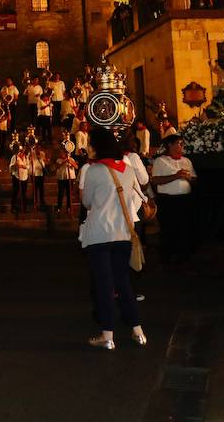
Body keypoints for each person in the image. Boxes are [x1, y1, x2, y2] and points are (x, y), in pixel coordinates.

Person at [79, 127, 147, 350]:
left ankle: (107, 335)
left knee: (104, 285)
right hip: (122, 233)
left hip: (100, 233)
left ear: (98, 146)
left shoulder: (94, 170)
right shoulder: (127, 170)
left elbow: (87, 201)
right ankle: (138, 332)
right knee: (123, 282)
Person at [151, 135, 197, 265]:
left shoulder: (187, 161)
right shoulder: (160, 161)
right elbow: (155, 180)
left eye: (182, 144)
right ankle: (167, 257)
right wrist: (175, 176)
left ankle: (183, 255)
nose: (181, 146)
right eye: (178, 143)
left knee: (184, 228)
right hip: (168, 201)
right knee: (168, 228)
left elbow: (194, 179)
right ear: (170, 145)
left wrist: (189, 178)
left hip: (184, 199)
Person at [55, 147, 77, 213]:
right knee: (60, 193)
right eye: (61, 153)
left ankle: (69, 207)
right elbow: (58, 166)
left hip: (70, 179)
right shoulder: (58, 160)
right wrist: (65, 160)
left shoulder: (71, 159)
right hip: (62, 178)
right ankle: (59, 207)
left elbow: (76, 167)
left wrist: (71, 162)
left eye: (63, 153)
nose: (61, 154)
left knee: (69, 194)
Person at [9, 146, 29, 214]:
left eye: (23, 152)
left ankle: (24, 208)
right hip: (17, 177)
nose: (22, 153)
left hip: (24, 177)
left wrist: (23, 166)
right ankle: (13, 208)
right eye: (21, 152)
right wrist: (15, 165)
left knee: (23, 193)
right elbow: (11, 166)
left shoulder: (26, 157)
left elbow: (28, 166)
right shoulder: (15, 157)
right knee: (15, 192)